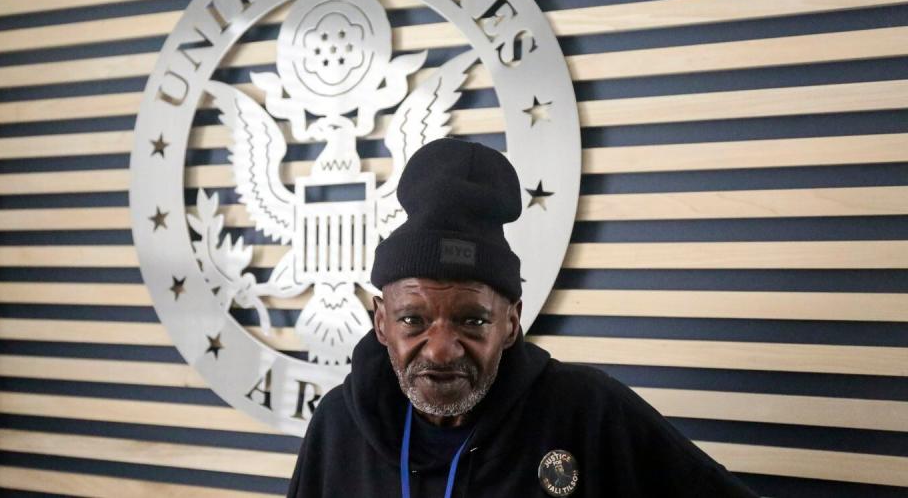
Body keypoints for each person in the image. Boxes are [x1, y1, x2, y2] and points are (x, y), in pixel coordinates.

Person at [287, 139, 757, 497]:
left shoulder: (591, 413)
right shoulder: (338, 425)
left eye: (472, 321)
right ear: (381, 322)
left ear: (511, 322)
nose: (442, 349)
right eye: (414, 320)